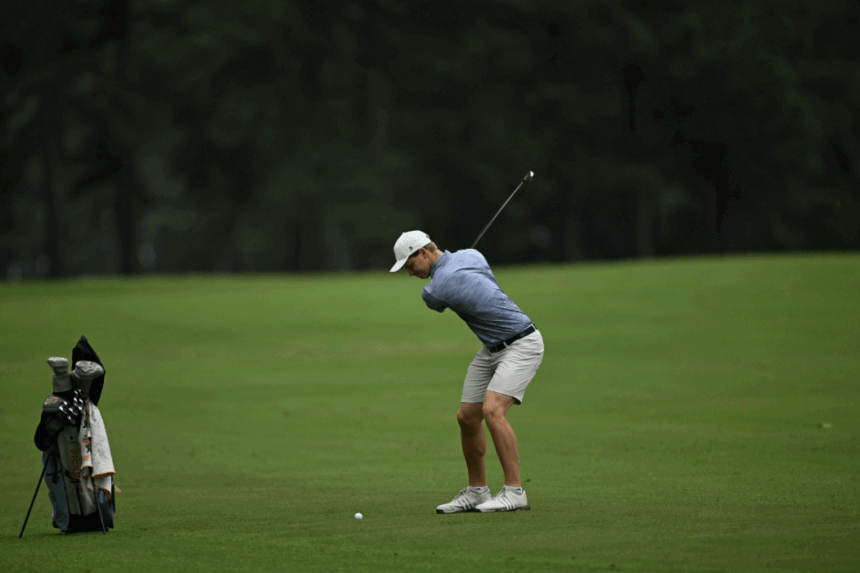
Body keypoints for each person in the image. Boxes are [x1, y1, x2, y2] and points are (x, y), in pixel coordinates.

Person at [390, 230, 544, 513]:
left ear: (423, 252)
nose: (411, 274)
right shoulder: (472, 255)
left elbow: (435, 301)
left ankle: (515, 491)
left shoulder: (434, 290)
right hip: (491, 348)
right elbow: (465, 268)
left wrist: (446, 275)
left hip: (522, 343)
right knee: (467, 416)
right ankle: (477, 491)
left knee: (493, 410)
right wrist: (451, 266)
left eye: (410, 266)